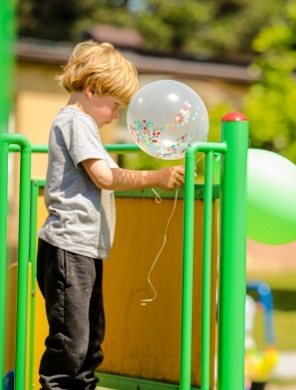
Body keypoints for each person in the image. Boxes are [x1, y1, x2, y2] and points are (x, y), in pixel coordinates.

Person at [36, 40, 185, 390]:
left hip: (84, 249)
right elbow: (104, 176)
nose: (117, 115)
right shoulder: (77, 122)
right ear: (91, 90)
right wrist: (155, 177)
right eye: (115, 105)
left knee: (90, 338)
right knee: (70, 341)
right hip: (68, 247)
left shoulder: (86, 126)